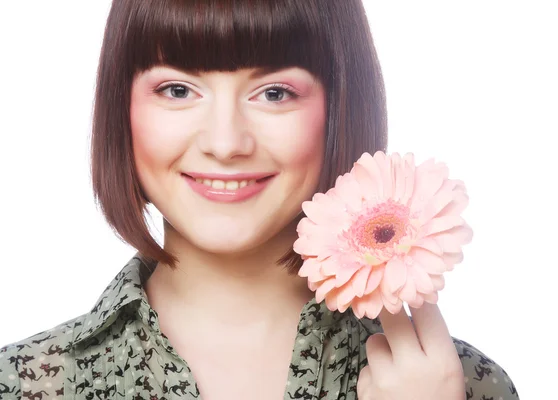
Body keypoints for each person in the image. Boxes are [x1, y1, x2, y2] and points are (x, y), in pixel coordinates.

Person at [0, 1, 519, 399]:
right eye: (178, 90)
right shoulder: (25, 384)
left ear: (339, 107)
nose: (225, 143)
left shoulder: (465, 385)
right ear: (122, 108)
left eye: (274, 93)